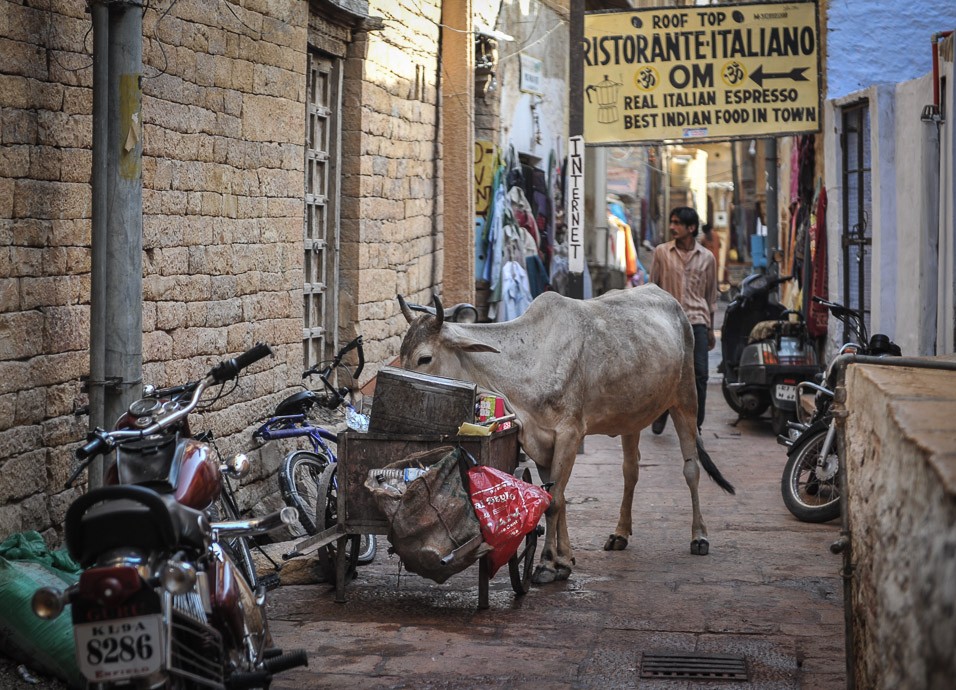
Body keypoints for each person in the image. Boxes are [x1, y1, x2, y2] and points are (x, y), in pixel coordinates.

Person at [650, 207, 718, 434]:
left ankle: (694, 424)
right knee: (664, 371)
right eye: (672, 222)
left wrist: (710, 328)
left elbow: (710, 295)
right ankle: (659, 413)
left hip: (697, 320)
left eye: (677, 223)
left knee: (700, 373)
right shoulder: (661, 252)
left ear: (691, 228)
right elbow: (652, 288)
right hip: (667, 321)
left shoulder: (707, 258)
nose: (672, 227)